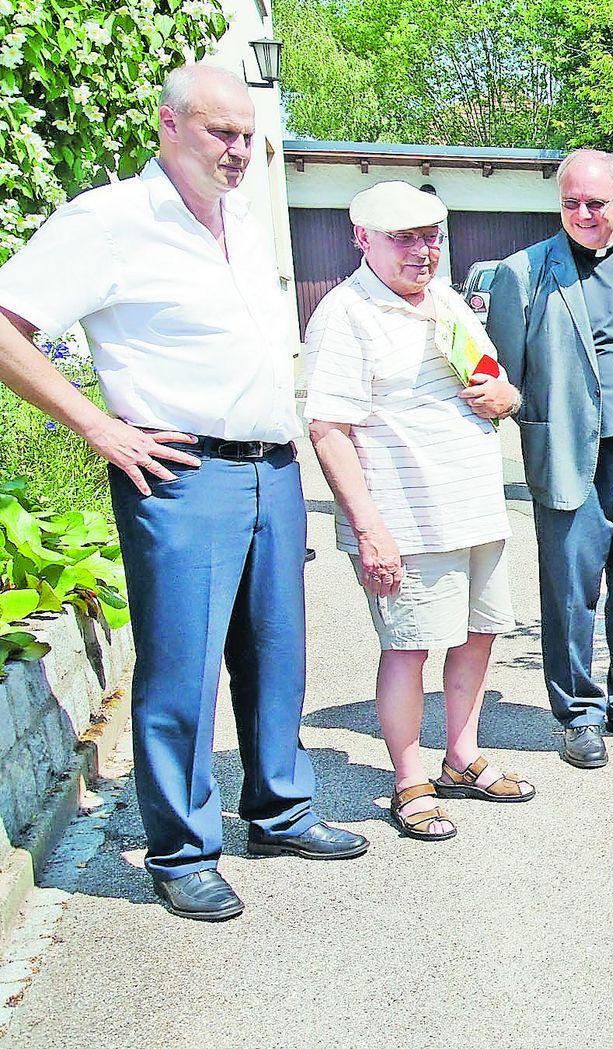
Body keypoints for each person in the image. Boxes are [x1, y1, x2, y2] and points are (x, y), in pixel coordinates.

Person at [0, 64, 368, 920]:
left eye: (249, 135)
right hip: (179, 471)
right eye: (221, 133)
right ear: (169, 125)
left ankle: (279, 809)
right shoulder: (111, 222)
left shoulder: (241, 217)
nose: (240, 150)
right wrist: (98, 426)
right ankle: (181, 849)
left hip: (270, 467)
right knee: (183, 669)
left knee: (276, 653)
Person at [303, 181, 533, 844]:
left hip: (475, 510)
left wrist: (505, 394)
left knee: (478, 634)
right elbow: (327, 428)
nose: (422, 250)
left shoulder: (448, 301)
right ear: (362, 238)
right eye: (403, 237)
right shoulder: (345, 314)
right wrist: (371, 529)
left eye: (431, 235)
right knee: (408, 647)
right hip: (406, 519)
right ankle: (409, 780)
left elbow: (497, 382)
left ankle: (461, 755)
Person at [486, 148, 613, 769]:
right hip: (570, 454)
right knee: (571, 593)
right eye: (570, 202)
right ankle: (578, 709)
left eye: (595, 203)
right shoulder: (522, 273)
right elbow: (503, 376)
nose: (582, 214)